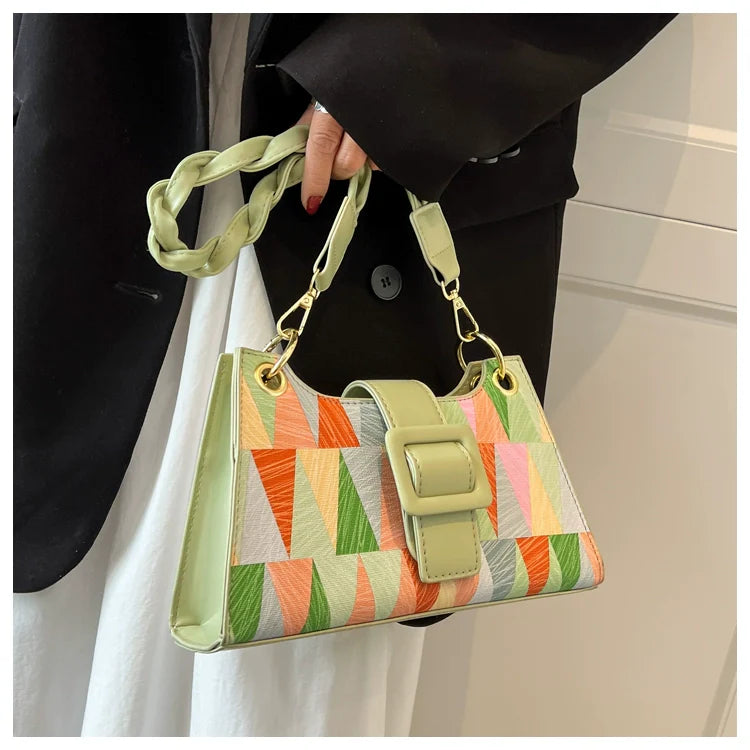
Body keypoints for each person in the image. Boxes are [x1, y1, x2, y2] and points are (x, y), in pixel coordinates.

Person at [13, 13, 675, 736]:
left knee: (297, 657)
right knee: (57, 627)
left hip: (365, 145)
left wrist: (399, 71)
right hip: (93, 145)